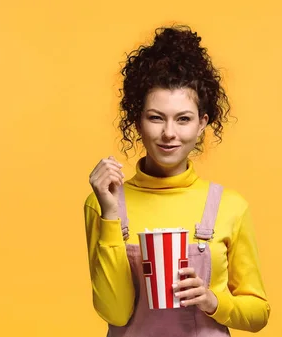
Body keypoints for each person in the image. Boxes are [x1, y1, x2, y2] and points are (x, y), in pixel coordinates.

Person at [84, 25, 270, 336]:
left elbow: (258, 313)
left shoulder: (229, 206)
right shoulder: (103, 202)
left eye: (183, 119)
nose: (169, 133)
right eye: (156, 117)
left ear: (201, 125)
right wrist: (111, 214)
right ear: (137, 122)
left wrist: (213, 301)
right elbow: (114, 313)